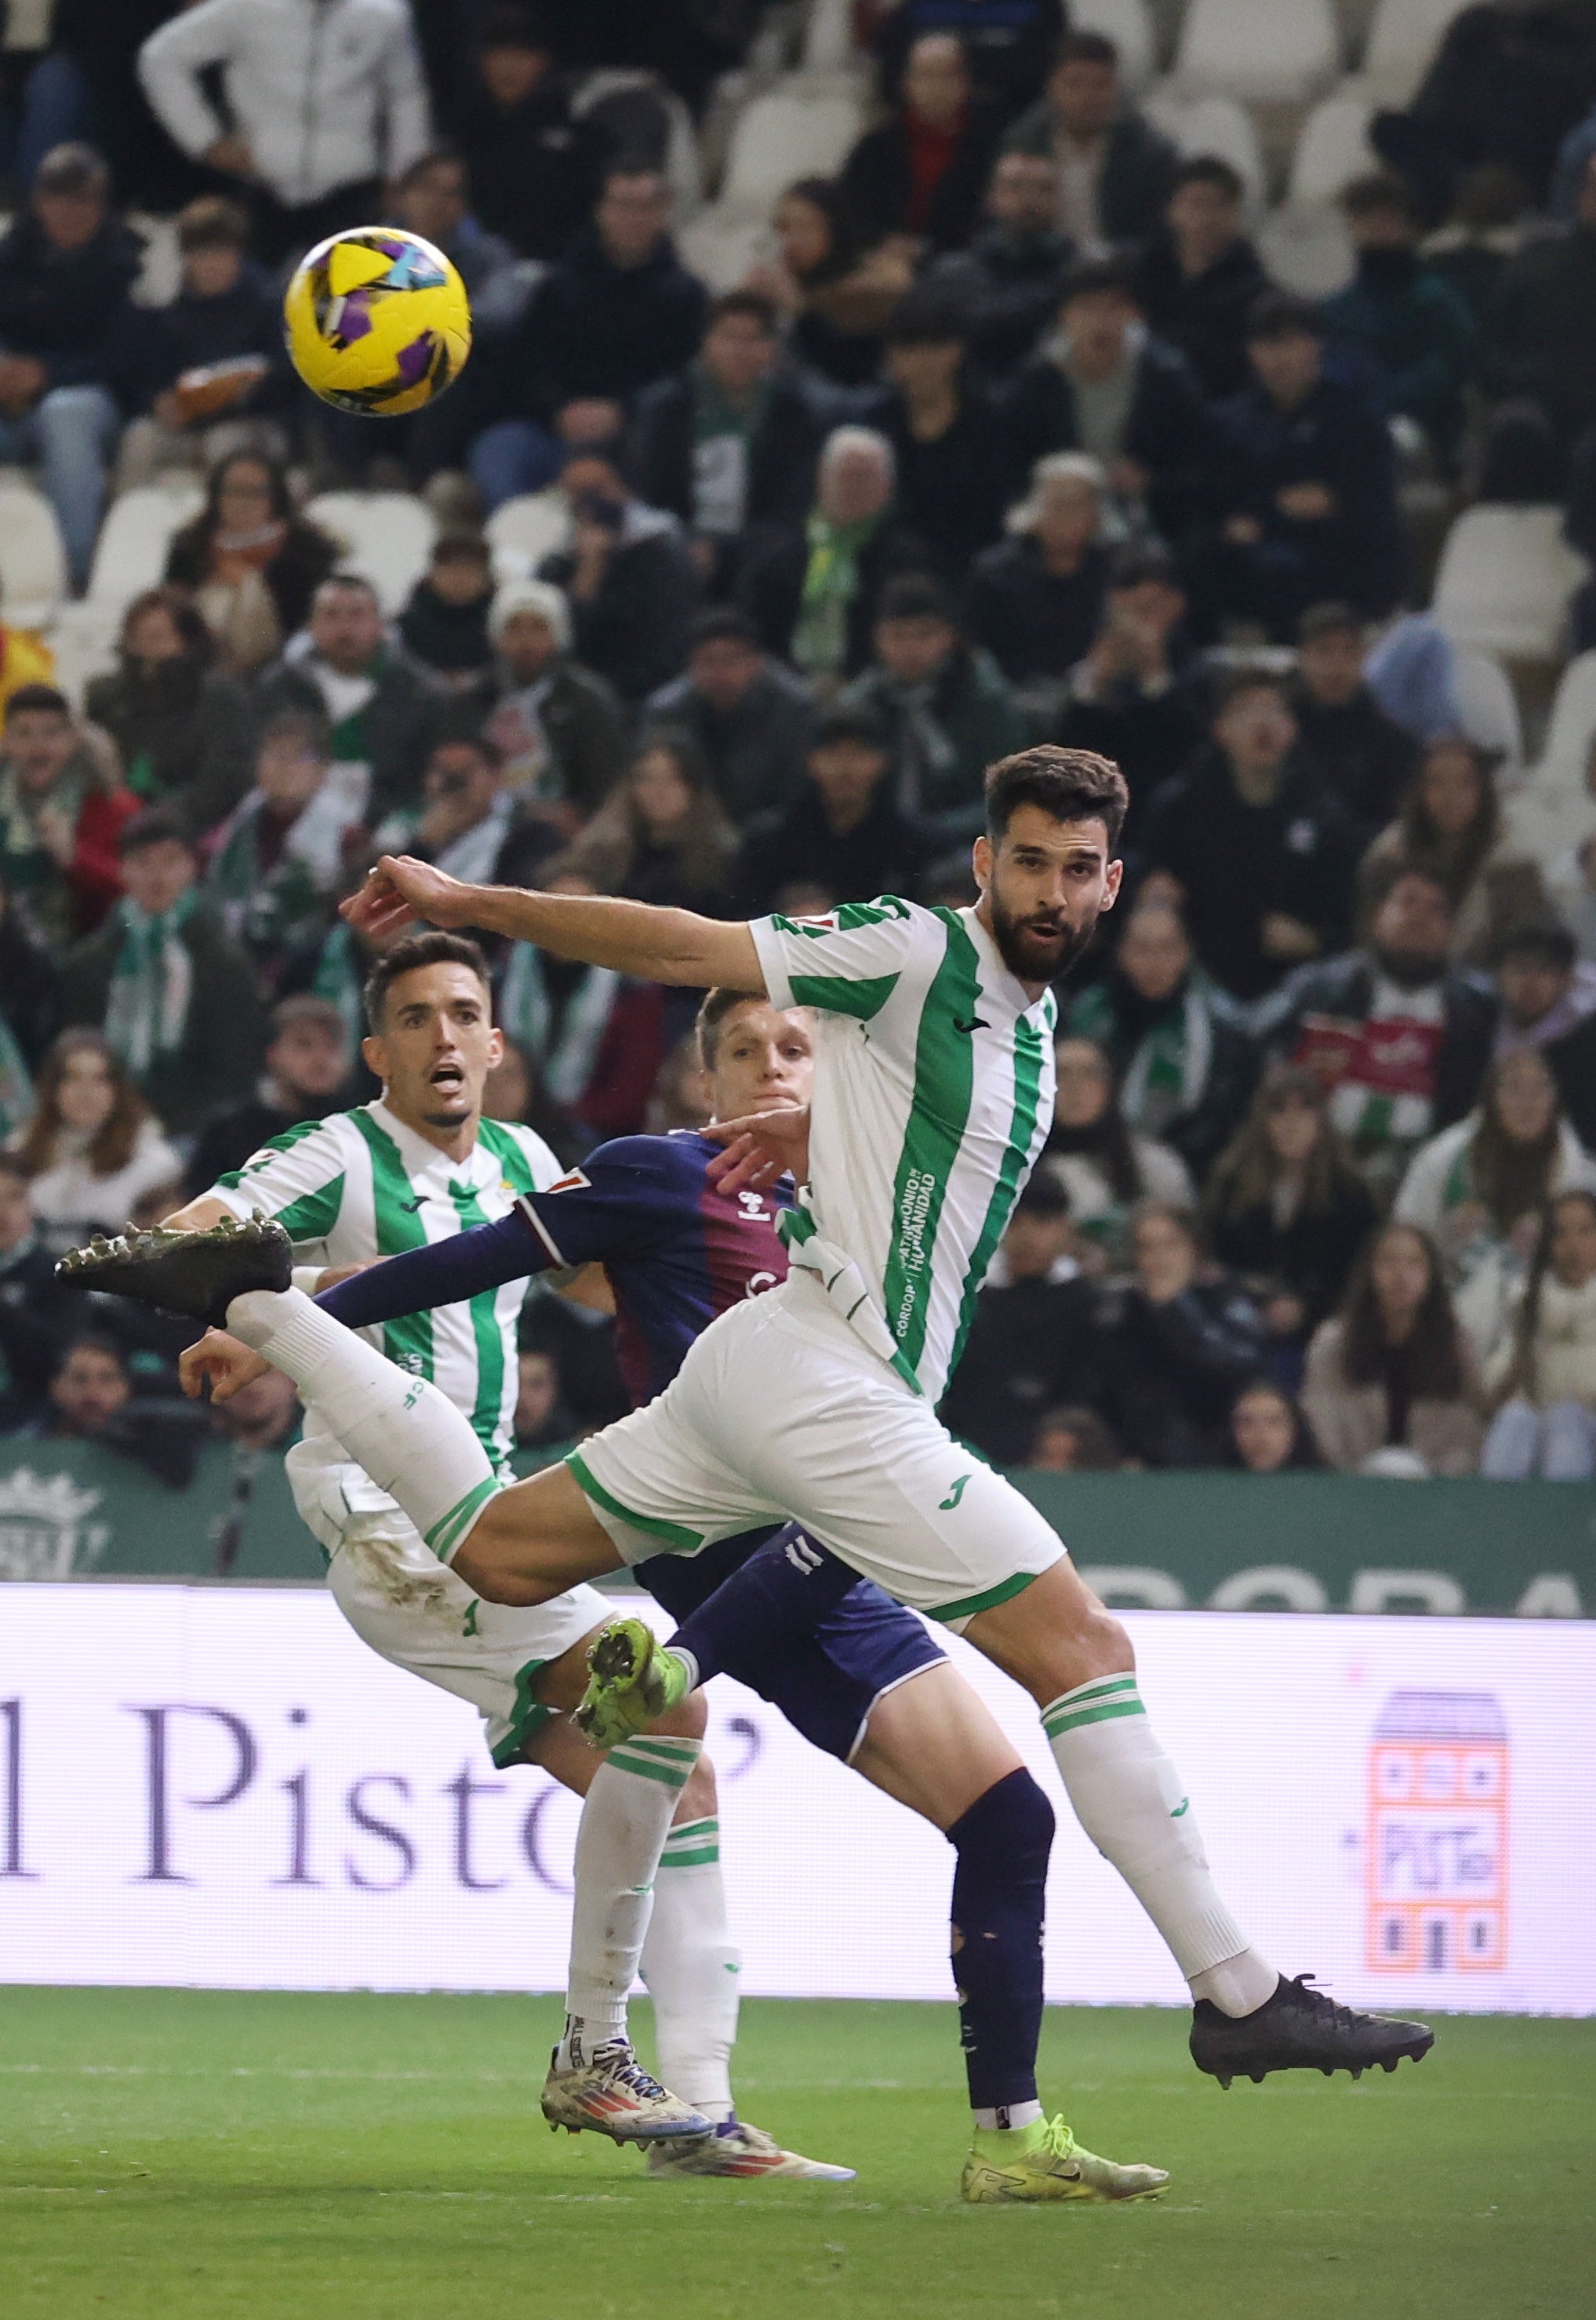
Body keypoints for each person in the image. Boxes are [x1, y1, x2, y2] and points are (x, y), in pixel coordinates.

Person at [97, 748, 1435, 2198]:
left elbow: (922, 1140)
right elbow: (680, 944)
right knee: (1084, 1651)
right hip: (830, 1386)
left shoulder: (1012, 1026)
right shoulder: (914, 950)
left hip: (761, 1373)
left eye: (1075, 869)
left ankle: (261, 1304)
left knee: (495, 1547)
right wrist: (471, 901)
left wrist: (820, 1133)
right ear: (982, 863)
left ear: (1110, 882)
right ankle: (1237, 1991)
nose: (1050, 892)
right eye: (1028, 862)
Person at [118, 930, 843, 2174]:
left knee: (676, 1773)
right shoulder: (339, 1153)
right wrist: (255, 1287)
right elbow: (197, 1233)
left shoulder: (524, 1159)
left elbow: (596, 1280)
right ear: (378, 1051)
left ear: (497, 1043)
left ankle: (697, 2116)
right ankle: (598, 2057)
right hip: (387, 1523)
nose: (442, 1035)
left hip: (486, 1515)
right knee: (666, 1718)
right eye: (415, 1018)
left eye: (462, 1012)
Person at [467, 167, 707, 506]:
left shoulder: (686, 298)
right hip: (554, 432)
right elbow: (522, 365)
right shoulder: (558, 289)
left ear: (662, 214)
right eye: (622, 206)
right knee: (501, 450)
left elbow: (683, 377)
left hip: (637, 439)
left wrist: (623, 411)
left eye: (645, 208)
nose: (632, 219)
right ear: (601, 211)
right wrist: (559, 409)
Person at [1265, 861, 1499, 1199]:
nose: (1418, 918)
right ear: (1378, 917)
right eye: (1407, 902)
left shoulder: (1476, 1010)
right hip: (1317, 1160)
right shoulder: (1319, 989)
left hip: (1425, 1172)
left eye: (1434, 909)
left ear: (1450, 929)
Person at [137, 0, 431, 266]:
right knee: (256, 301)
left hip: (351, 191)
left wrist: (405, 174)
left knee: (351, 301)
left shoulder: (383, 14)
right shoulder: (246, 9)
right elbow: (161, 57)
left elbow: (406, 95)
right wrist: (205, 141)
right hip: (261, 187)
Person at [1140, 670, 1358, 1003]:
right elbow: (1145, 893)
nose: (1262, 722)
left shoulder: (1325, 818)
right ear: (1220, 730)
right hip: (1194, 982)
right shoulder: (1178, 810)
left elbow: (1350, 923)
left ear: (1292, 729)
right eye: (1246, 710)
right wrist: (1156, 900)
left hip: (1296, 987)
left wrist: (1314, 941)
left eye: (1275, 710)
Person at [1202, 295, 1403, 640]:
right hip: (1252, 544)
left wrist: (1290, 509)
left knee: (1283, 568)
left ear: (1316, 345)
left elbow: (1363, 500)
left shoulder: (1353, 420)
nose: (1279, 357)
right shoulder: (1231, 420)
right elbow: (1223, 491)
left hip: (1337, 550)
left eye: (1290, 342)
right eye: (1267, 344)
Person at [59, 809, 264, 1137]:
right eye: (143, 862)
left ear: (191, 868)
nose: (157, 876)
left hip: (196, 1131)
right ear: (123, 869)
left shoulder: (224, 962)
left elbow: (236, 1063)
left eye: (170, 861)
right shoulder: (90, 961)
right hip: (102, 1125)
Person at [1002, 258, 1216, 547]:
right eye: (1088, 308)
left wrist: (1150, 482)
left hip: (1149, 519)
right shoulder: (1037, 379)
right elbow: (1012, 465)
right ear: (1065, 315)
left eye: (1113, 308)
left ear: (1133, 314)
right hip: (1056, 519)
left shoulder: (1166, 376)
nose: (1101, 322)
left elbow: (1202, 464)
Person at [0, 141, 137, 591]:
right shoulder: (11, 256)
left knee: (66, 414)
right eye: (59, 198)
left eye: (84, 200)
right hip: (11, 404)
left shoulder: (125, 263)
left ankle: (71, 575)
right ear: (39, 201)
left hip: (94, 401)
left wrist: (47, 373)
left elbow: (126, 361)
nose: (71, 212)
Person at [626, 292, 827, 586]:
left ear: (772, 348)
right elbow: (648, 492)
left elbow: (793, 505)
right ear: (706, 342)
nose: (739, 351)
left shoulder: (795, 415)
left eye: (753, 340)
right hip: (677, 546)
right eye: (729, 338)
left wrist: (727, 551)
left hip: (761, 553)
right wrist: (686, 541)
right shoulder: (665, 409)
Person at [1066, 897, 1256, 1180]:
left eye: (1167, 949)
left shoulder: (1219, 1031)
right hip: (1085, 1159)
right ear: (1121, 953)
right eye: (1142, 949)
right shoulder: (1084, 1016)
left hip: (1182, 1168)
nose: (1154, 963)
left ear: (1185, 953)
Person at [116, 195, 293, 493]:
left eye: (221, 253)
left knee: (223, 445)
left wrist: (233, 396)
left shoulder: (268, 303)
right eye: (202, 254)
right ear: (186, 257)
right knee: (140, 438)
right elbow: (144, 373)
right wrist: (159, 402)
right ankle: (127, 517)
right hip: (184, 426)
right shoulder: (167, 306)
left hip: (250, 425)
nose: (212, 265)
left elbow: (284, 379)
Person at [1204, 1063, 1380, 1360]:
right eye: (1279, 1112)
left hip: (1324, 1336)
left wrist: (1306, 1310)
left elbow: (1359, 1274)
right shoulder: (1230, 1185)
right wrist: (1257, 1301)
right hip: (1239, 1326)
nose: (1291, 1124)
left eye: (1304, 1112)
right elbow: (1213, 1261)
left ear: (1321, 1120)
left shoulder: (1351, 1193)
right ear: (1262, 1121)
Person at [1394, 1048, 1596, 1306]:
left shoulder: (1574, 1169)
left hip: (1551, 1304)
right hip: (1448, 1300)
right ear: (1491, 1098)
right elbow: (1405, 1238)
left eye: (1540, 1089)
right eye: (1514, 1088)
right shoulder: (1443, 1159)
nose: (1528, 1101)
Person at [838, 576, 1029, 842]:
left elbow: (1010, 796)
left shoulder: (984, 698)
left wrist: (939, 830)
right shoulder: (863, 700)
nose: (910, 649)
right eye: (897, 636)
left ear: (949, 636)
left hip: (964, 837)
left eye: (924, 635)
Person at [736, 427, 926, 687]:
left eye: (864, 477)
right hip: (783, 688)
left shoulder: (906, 561)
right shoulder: (777, 555)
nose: (852, 487)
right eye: (844, 476)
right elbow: (752, 630)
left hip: (873, 688)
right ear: (822, 479)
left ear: (887, 487)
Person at [939, 1175, 1104, 1467]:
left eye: (1041, 1221)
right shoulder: (966, 1301)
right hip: (972, 1459)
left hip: (1065, 1468)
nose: (1027, 1236)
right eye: (1015, 1221)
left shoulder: (1090, 1305)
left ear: (1066, 1228)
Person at [1301, 1222, 1485, 1475]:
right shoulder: (1334, 1342)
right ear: (1369, 1272)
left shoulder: (1456, 1343)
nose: (1401, 1275)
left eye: (1415, 1263)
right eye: (1388, 1262)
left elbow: (1473, 1421)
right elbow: (1320, 1417)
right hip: (1354, 1479)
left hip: (1436, 1480)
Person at [255, 573, 435, 827]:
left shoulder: (422, 693)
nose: (344, 628)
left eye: (357, 615)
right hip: (289, 822)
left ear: (380, 625)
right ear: (312, 626)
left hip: (385, 827)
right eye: (331, 616)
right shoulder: (278, 688)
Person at [1320, 175, 1477, 463]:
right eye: (1366, 218)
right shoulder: (1335, 304)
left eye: (1388, 218)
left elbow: (1450, 363)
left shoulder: (1436, 298)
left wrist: (1392, 396)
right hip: (1350, 425)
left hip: (1428, 427)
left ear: (1409, 226)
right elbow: (1330, 363)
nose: (1377, 228)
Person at [1100, 1202, 1269, 1469]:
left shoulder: (1224, 1299)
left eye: (1171, 1244)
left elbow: (1236, 1373)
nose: (1159, 1258)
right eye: (1146, 1247)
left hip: (1223, 1451)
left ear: (1194, 1249)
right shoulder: (1121, 1313)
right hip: (1141, 1460)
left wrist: (1172, 1312)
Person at [535, 448, 703, 707]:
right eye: (578, 492)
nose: (589, 502)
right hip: (581, 698)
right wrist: (588, 573)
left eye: (597, 490)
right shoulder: (557, 564)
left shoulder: (662, 556)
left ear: (623, 489)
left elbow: (672, 640)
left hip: (651, 694)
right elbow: (560, 643)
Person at [1359, 740, 1549, 969]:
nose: (1451, 795)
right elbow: (1367, 938)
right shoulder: (1389, 854)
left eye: (1465, 783)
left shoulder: (1514, 866)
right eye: (1436, 782)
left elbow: (1528, 951)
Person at [1052, 545, 1203, 831]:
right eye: (1127, 611)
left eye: (1147, 610)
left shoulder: (1193, 672)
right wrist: (1093, 686)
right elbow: (1064, 756)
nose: (1135, 625)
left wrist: (1155, 678)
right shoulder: (1084, 662)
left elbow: (1189, 753)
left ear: (1176, 606)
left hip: (1168, 816)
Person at [446, 4, 612, 264]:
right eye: (498, 56)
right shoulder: (462, 132)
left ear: (543, 62)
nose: (508, 68)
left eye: (521, 56)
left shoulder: (580, 139)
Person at [869, 292, 1014, 587]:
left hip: (973, 571)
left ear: (957, 351)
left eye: (935, 348)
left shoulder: (992, 423)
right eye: (909, 349)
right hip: (887, 573)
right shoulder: (873, 424)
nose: (922, 362)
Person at [733, 704, 929, 922]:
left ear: (882, 762)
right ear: (811, 760)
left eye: (858, 754)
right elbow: (742, 915)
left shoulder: (909, 843)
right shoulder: (770, 840)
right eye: (833, 753)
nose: (845, 768)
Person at [83, 588, 253, 838]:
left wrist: (159, 822)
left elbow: (222, 779)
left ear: (187, 642)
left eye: (157, 638)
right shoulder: (110, 700)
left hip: (193, 833)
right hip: (120, 830)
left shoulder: (219, 698)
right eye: (136, 639)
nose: (145, 650)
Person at [204, 711, 349, 985]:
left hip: (307, 969)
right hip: (235, 958)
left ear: (322, 772)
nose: (283, 767)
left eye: (297, 757)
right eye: (274, 755)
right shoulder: (238, 824)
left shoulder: (345, 837)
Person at [164, 453, 340, 679]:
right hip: (201, 670)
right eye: (234, 491)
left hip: (284, 670)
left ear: (275, 497)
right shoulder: (189, 548)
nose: (244, 502)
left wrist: (251, 585)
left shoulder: (307, 550)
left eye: (256, 492)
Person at [1003, 30, 1176, 254]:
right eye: (1074, 84)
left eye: (1101, 85)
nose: (1087, 96)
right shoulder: (1023, 144)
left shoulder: (1150, 155)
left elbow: (1159, 237)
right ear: (1051, 87)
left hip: (1119, 267)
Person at [9, 1028, 180, 1254]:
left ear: (118, 1089)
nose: (86, 1092)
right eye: (73, 1078)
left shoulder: (153, 1164)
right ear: (53, 1088)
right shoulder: (18, 1151)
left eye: (99, 1080)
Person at [642, 609, 815, 828]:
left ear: (756, 663)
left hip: (769, 830)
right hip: (688, 829)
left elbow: (797, 791)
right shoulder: (667, 712)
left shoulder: (793, 708)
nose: (720, 673)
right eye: (709, 661)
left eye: (732, 660)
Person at [1034, 1032, 1194, 1267]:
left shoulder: (1156, 1165)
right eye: (1062, 1074)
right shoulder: (1014, 1167)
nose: (1075, 1087)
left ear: (1111, 1085)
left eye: (1089, 1074)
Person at [838, 31, 1004, 255]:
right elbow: (848, 212)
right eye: (926, 76)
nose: (937, 87)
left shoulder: (989, 147)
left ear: (965, 83)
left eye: (947, 76)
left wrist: (927, 250)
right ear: (907, 84)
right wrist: (882, 243)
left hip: (961, 261)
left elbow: (989, 222)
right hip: (881, 257)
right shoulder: (874, 148)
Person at [0, 683, 137, 947]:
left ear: (73, 739)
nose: (38, 748)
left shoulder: (114, 807)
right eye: (24, 734)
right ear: (6, 741)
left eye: (51, 733)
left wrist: (75, 857)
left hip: (88, 952)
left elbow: (139, 894)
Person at [481, 579, 628, 821]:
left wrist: (579, 814)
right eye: (514, 628)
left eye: (538, 628)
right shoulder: (475, 698)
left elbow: (607, 779)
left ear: (557, 636)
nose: (526, 641)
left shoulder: (587, 701)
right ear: (497, 637)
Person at [965, 453, 1112, 694]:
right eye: (1057, 504)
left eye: (1077, 504)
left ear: (1096, 513)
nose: (1066, 515)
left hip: (1097, 693)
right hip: (1015, 694)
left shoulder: (1116, 571)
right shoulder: (996, 573)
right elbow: (979, 650)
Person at [749, 177, 914, 393]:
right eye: (783, 228)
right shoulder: (777, 279)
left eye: (806, 228)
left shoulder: (873, 287)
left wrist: (798, 309)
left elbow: (850, 370)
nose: (791, 240)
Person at [925, 147, 1076, 381]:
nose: (1029, 199)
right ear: (992, 198)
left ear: (1059, 200)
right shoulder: (953, 274)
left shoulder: (1079, 275)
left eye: (1043, 188)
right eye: (1015, 186)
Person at [1482, 147, 1596, 454]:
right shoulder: (1538, 263)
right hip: (1540, 401)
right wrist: (1533, 378)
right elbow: (1493, 348)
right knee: (1519, 429)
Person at [1132, 158, 1271, 402]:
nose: (1207, 218)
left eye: (1220, 205)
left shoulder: (1257, 283)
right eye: (1196, 204)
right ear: (1172, 211)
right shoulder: (1142, 271)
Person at [554, 734, 736, 919]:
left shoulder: (721, 860)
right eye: (647, 778)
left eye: (673, 779)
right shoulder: (607, 849)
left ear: (693, 788)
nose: (659, 790)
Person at [184, 995, 351, 1195]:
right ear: (273, 1055)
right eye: (304, 1045)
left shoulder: (358, 1132)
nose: (320, 1060)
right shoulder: (231, 1131)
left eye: (332, 1047)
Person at [1481, 1188, 1596, 1478]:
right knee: (1516, 1418)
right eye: (1560, 1234)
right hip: (1539, 1427)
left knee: (1565, 1418)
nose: (1573, 1246)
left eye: (1585, 1231)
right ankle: (1495, 1501)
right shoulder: (1526, 1305)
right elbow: (1495, 1388)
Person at [1288, 602, 1419, 844]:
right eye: (1324, 651)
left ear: (1364, 656)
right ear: (1303, 657)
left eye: (1349, 651)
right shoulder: (1279, 733)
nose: (1337, 665)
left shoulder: (1393, 743)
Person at [373, 732, 553, 904]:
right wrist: (424, 846)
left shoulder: (524, 830)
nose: (452, 787)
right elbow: (378, 884)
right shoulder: (407, 821)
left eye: (464, 774)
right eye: (443, 772)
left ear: (493, 775)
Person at [876, 0, 1066, 128]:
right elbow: (892, 80)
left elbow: (1049, 76)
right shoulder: (916, 10)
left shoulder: (1038, 8)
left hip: (1015, 128)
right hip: (931, 134)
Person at [1493, 918, 1596, 1149]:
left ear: (1567, 980)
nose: (1530, 982)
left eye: (1544, 971)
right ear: (1499, 976)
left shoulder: (1587, 1039)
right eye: (1520, 969)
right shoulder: (1481, 1023)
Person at [0, 1154, 84, 1431]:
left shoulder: (62, 1275)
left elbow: (59, 1356)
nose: (2, 1211)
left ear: (30, 1205)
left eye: (12, 1197)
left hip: (33, 1422)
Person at [397, 533, 496, 693]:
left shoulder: (501, 631)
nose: (459, 579)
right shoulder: (404, 631)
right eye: (450, 568)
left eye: (470, 570)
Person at [1225, 1379, 1322, 1473]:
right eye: (1247, 1422)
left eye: (1274, 1422)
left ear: (1294, 1429)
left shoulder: (1323, 1479)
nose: (1260, 1437)